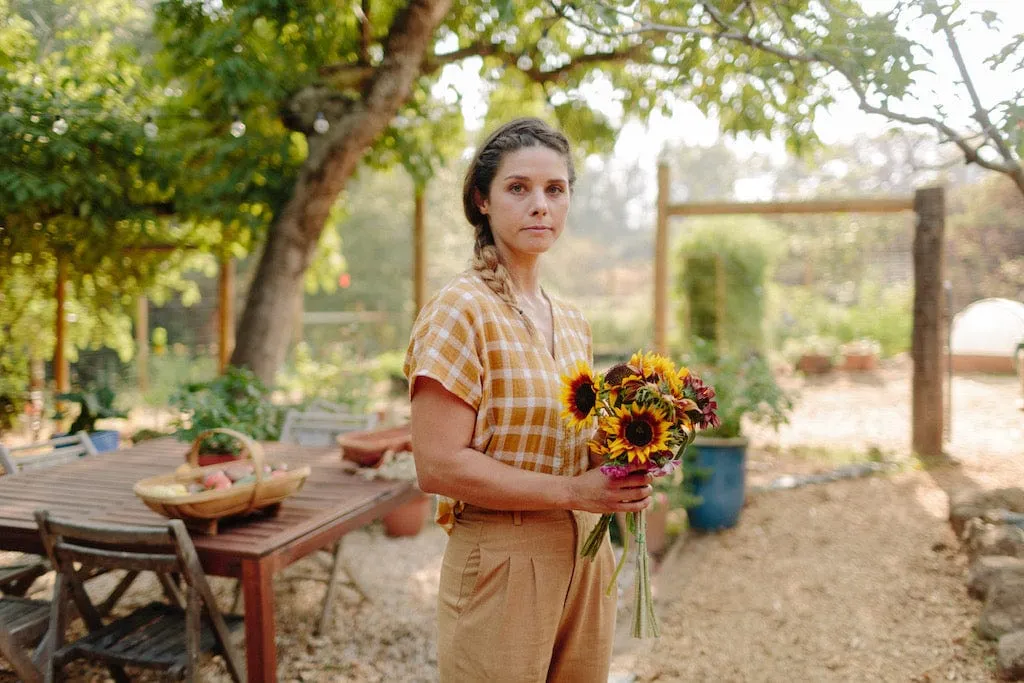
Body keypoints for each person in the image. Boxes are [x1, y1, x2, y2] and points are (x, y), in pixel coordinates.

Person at [403, 117, 654, 682]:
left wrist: (636, 457)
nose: (539, 204)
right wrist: (572, 490)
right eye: (518, 188)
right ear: (482, 201)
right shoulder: (459, 311)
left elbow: (576, 443)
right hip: (502, 557)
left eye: (555, 189)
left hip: (588, 553)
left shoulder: (571, 321)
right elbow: (437, 464)